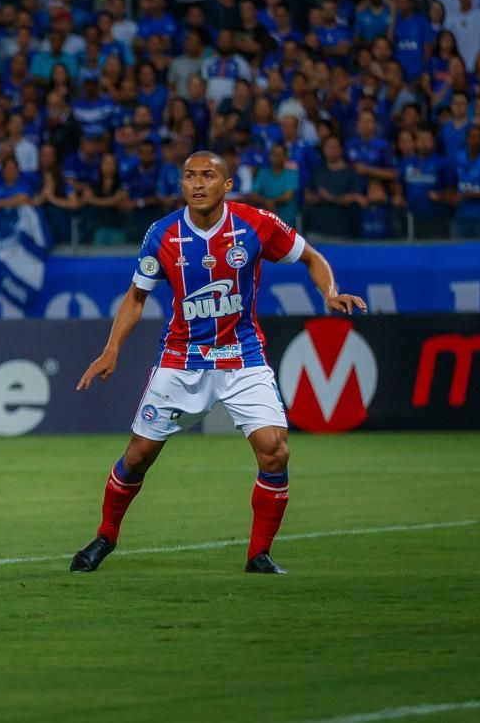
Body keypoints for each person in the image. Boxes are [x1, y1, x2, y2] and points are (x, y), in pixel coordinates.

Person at [69, 151, 366, 576]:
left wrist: (329, 293)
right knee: (136, 458)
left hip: (242, 356)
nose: (197, 184)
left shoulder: (255, 224)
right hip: (181, 359)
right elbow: (137, 297)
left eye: (208, 176)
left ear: (227, 184)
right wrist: (111, 348)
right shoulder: (163, 234)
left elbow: (311, 257)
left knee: (275, 452)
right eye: (190, 176)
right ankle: (105, 537)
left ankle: (258, 555)